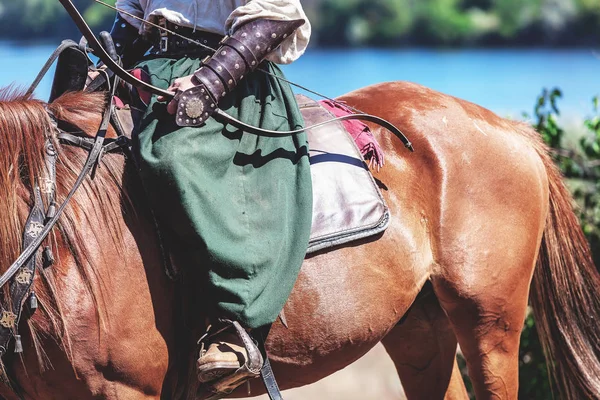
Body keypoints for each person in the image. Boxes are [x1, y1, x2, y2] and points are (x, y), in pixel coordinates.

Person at [110, 0, 313, 393]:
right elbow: (131, 19)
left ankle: (233, 321)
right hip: (155, 74)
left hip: (234, 80)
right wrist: (100, 71)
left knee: (173, 158)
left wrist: (209, 82)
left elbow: (277, 15)